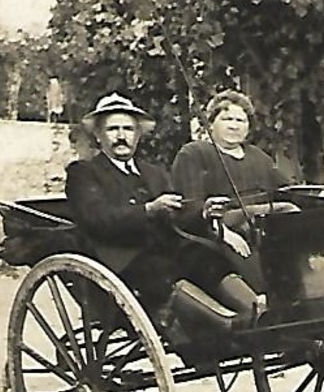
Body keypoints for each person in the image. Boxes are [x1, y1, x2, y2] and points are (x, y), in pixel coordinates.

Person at [64, 92, 258, 334]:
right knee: (161, 270)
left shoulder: (153, 172)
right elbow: (96, 218)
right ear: (98, 135)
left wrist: (203, 212)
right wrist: (148, 209)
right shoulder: (83, 173)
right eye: (113, 129)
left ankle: (256, 311)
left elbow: (177, 212)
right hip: (121, 258)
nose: (121, 136)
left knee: (206, 257)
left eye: (128, 129)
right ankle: (226, 324)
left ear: (138, 134)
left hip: (165, 248)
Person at [170, 90, 301, 299]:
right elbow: (189, 208)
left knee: (292, 212)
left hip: (263, 227)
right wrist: (221, 230)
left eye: (241, 120)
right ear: (211, 123)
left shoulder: (258, 157)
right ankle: (259, 303)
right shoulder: (194, 153)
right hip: (215, 231)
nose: (234, 125)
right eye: (226, 119)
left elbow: (289, 191)